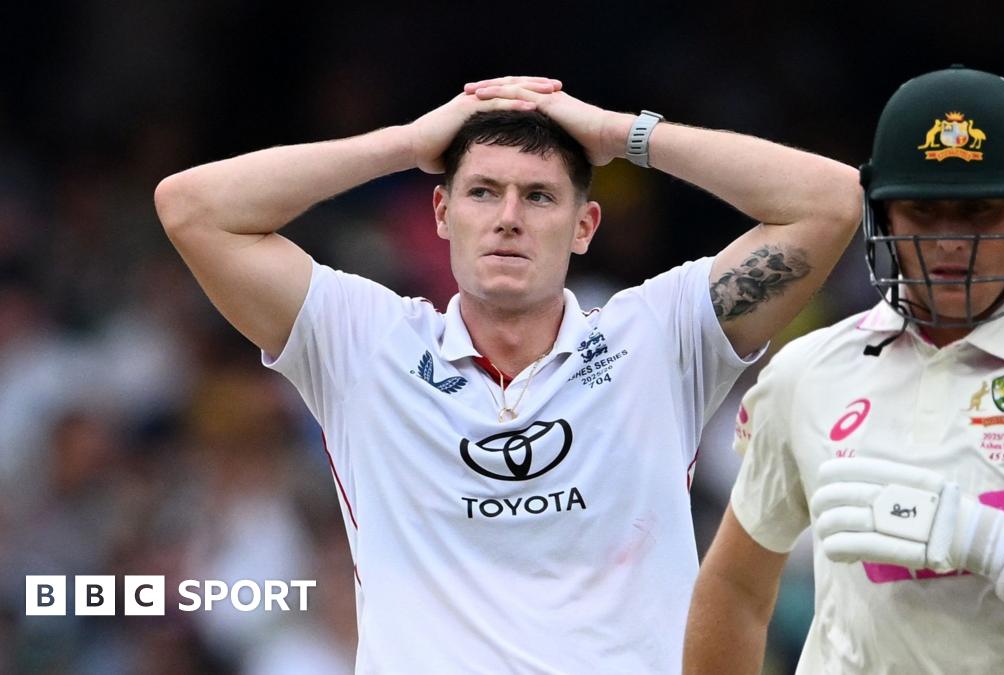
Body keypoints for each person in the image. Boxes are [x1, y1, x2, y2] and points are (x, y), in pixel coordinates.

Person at [154, 75, 861, 672]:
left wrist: (619, 135)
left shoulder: (658, 336)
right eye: (483, 192)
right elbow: (192, 208)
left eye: (541, 197)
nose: (509, 219)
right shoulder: (365, 344)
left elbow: (829, 202)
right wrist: (407, 143)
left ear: (585, 226)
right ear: (442, 210)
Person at [684, 66, 1004, 674]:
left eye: (981, 211)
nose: (952, 240)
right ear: (884, 215)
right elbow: (736, 592)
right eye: (924, 212)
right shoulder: (809, 371)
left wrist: (993, 543)